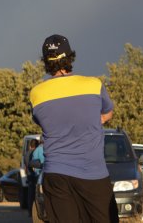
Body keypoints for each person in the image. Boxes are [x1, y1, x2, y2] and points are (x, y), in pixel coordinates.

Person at [29, 34, 117, 223]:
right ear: (70, 57)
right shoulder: (93, 85)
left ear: (45, 61)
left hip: (56, 175)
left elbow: (41, 121)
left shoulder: (36, 94)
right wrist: (92, 119)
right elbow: (108, 113)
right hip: (93, 173)